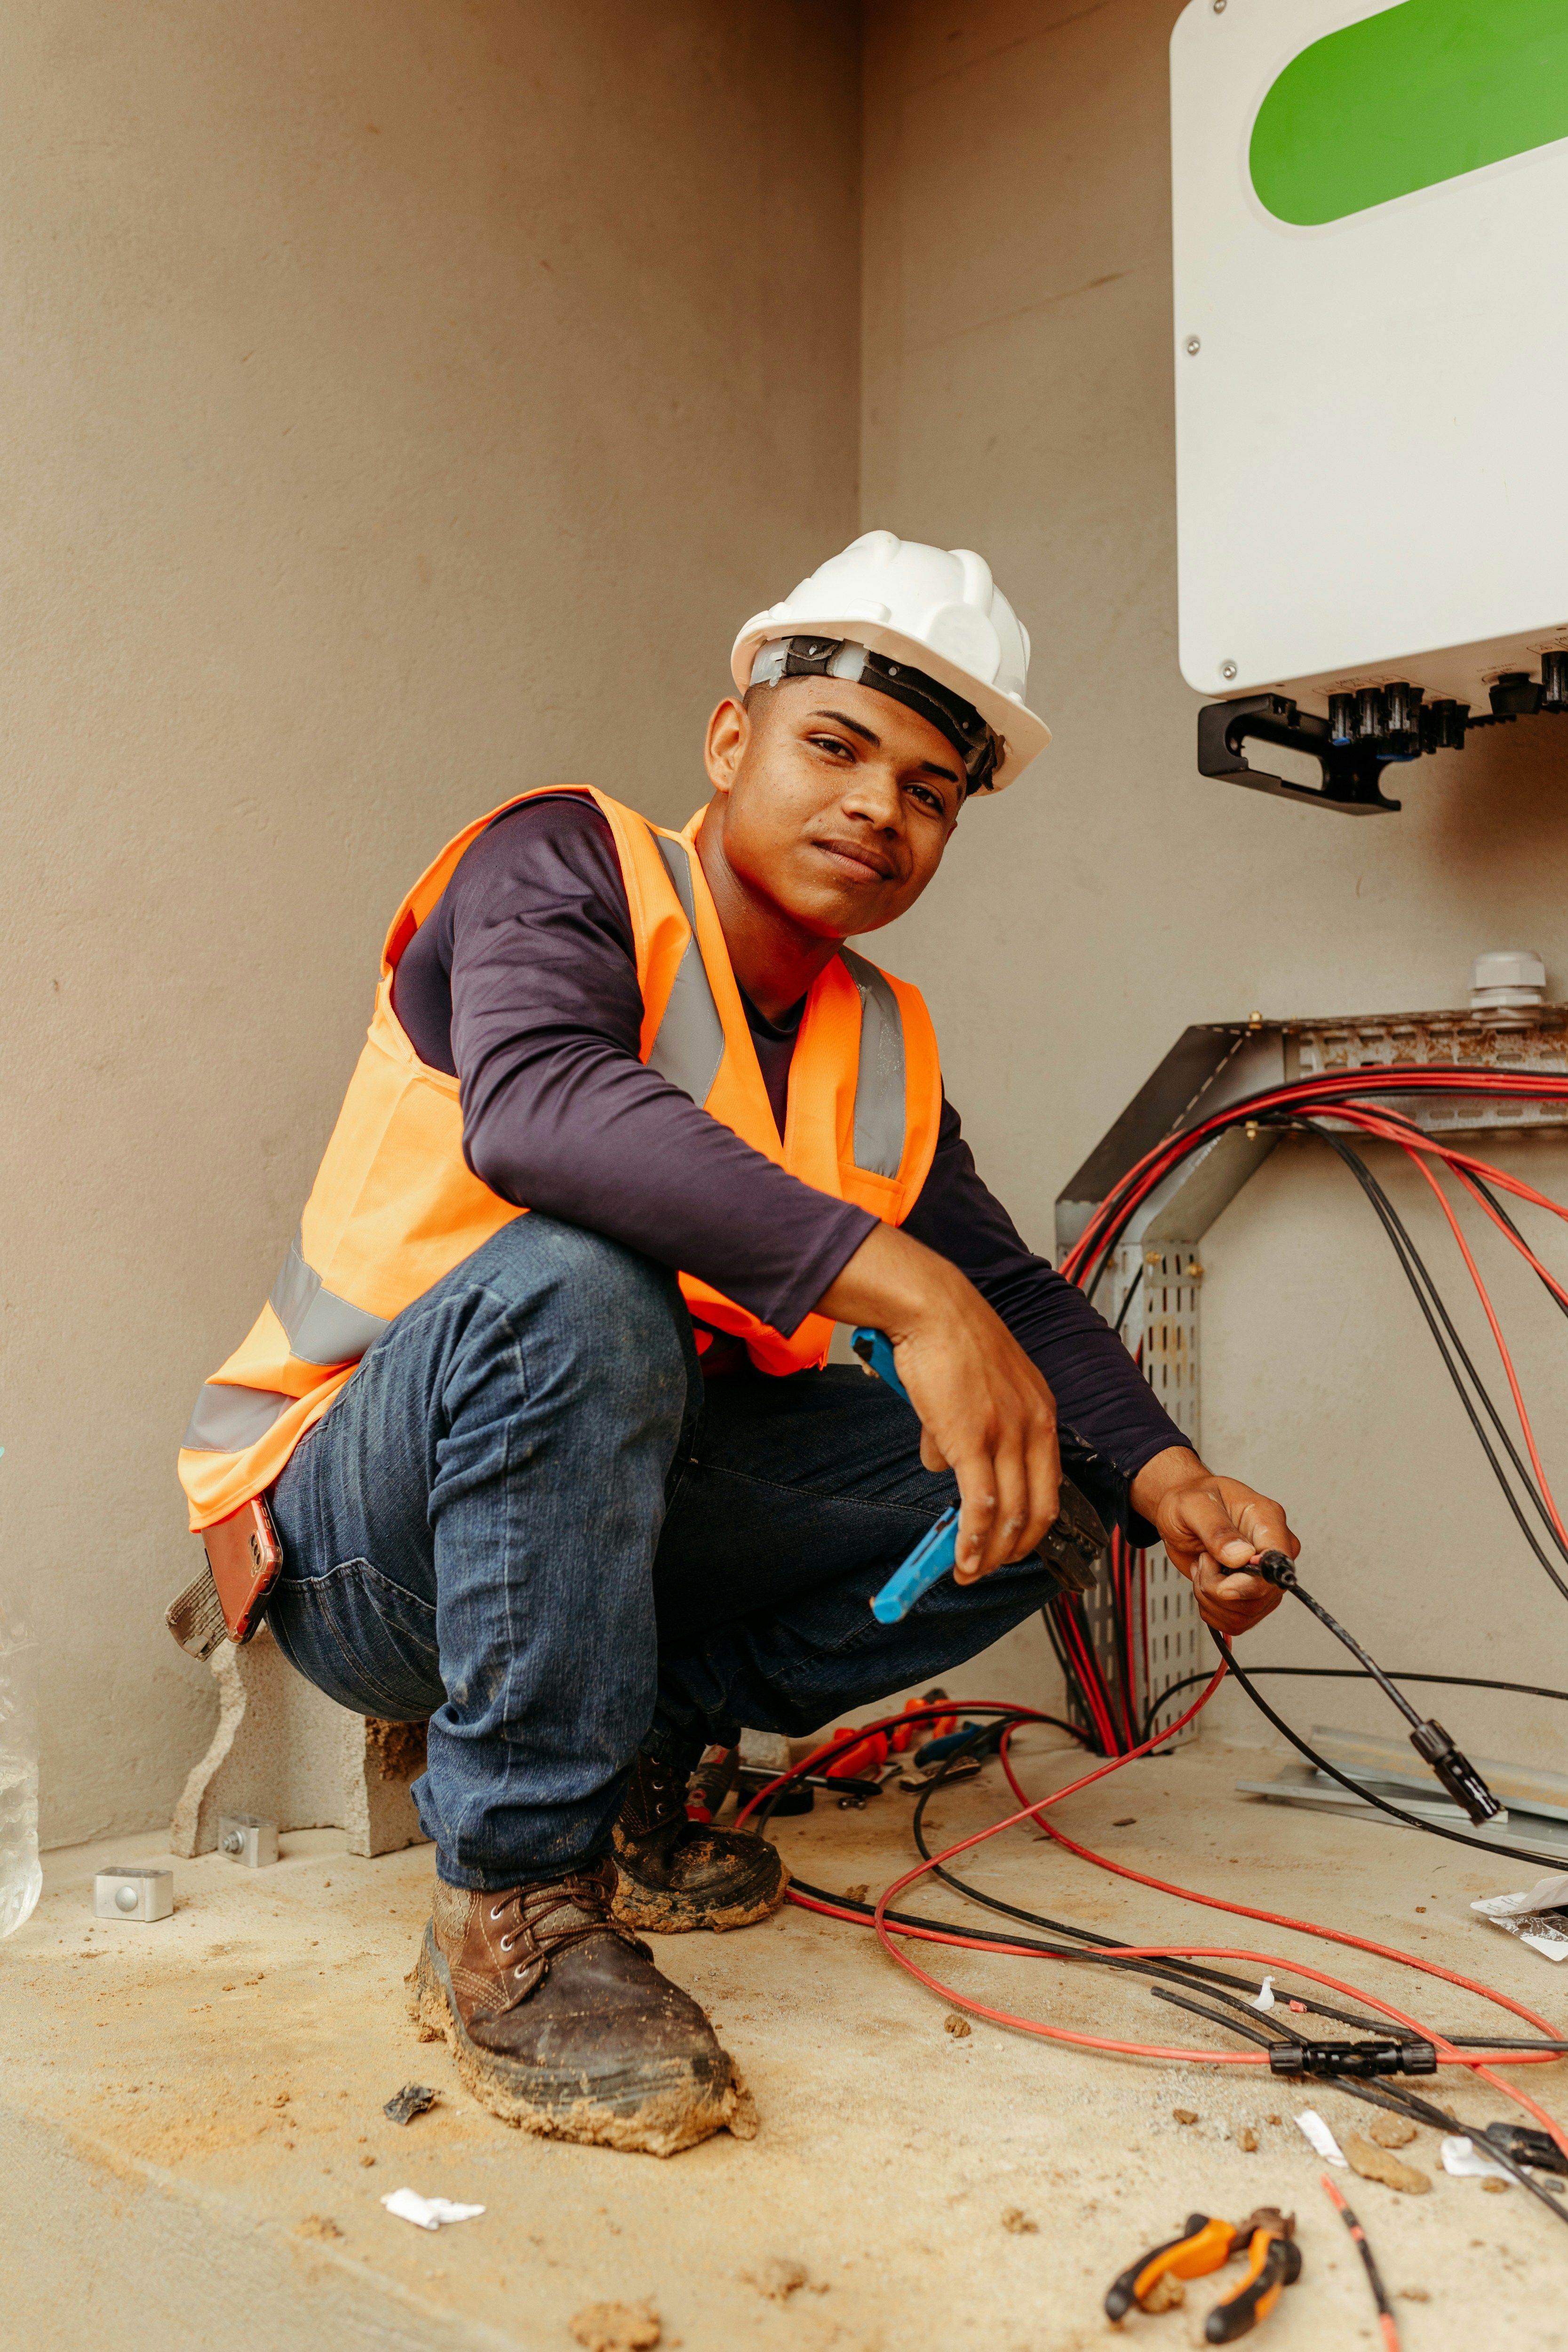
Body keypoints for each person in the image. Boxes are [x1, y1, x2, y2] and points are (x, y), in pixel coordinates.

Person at [177, 531, 1297, 2157]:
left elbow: (1013, 1294)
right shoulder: (562, 865)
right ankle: (511, 1899)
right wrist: (910, 1295)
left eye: (929, 792)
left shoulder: (879, 1044)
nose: (878, 807)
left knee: (1034, 1479)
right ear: (729, 741)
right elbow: (542, 1107)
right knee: (582, 1282)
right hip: (362, 1538)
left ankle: (641, 1754)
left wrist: (1176, 1482)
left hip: (607, 1535)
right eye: (835, 745)